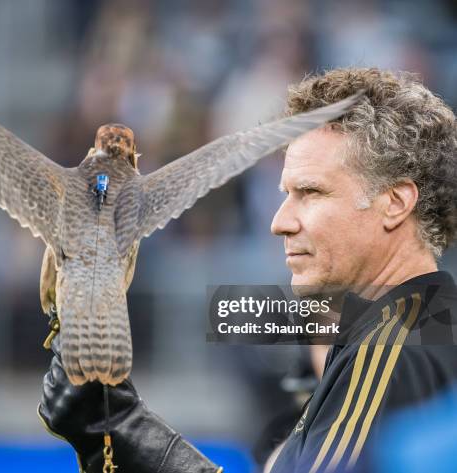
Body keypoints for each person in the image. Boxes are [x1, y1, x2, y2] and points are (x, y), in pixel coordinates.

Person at [37, 68, 457, 472]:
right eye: (285, 194)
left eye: (310, 192)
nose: (280, 222)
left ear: (396, 203)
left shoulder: (390, 347)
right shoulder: (426, 323)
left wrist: (125, 434)